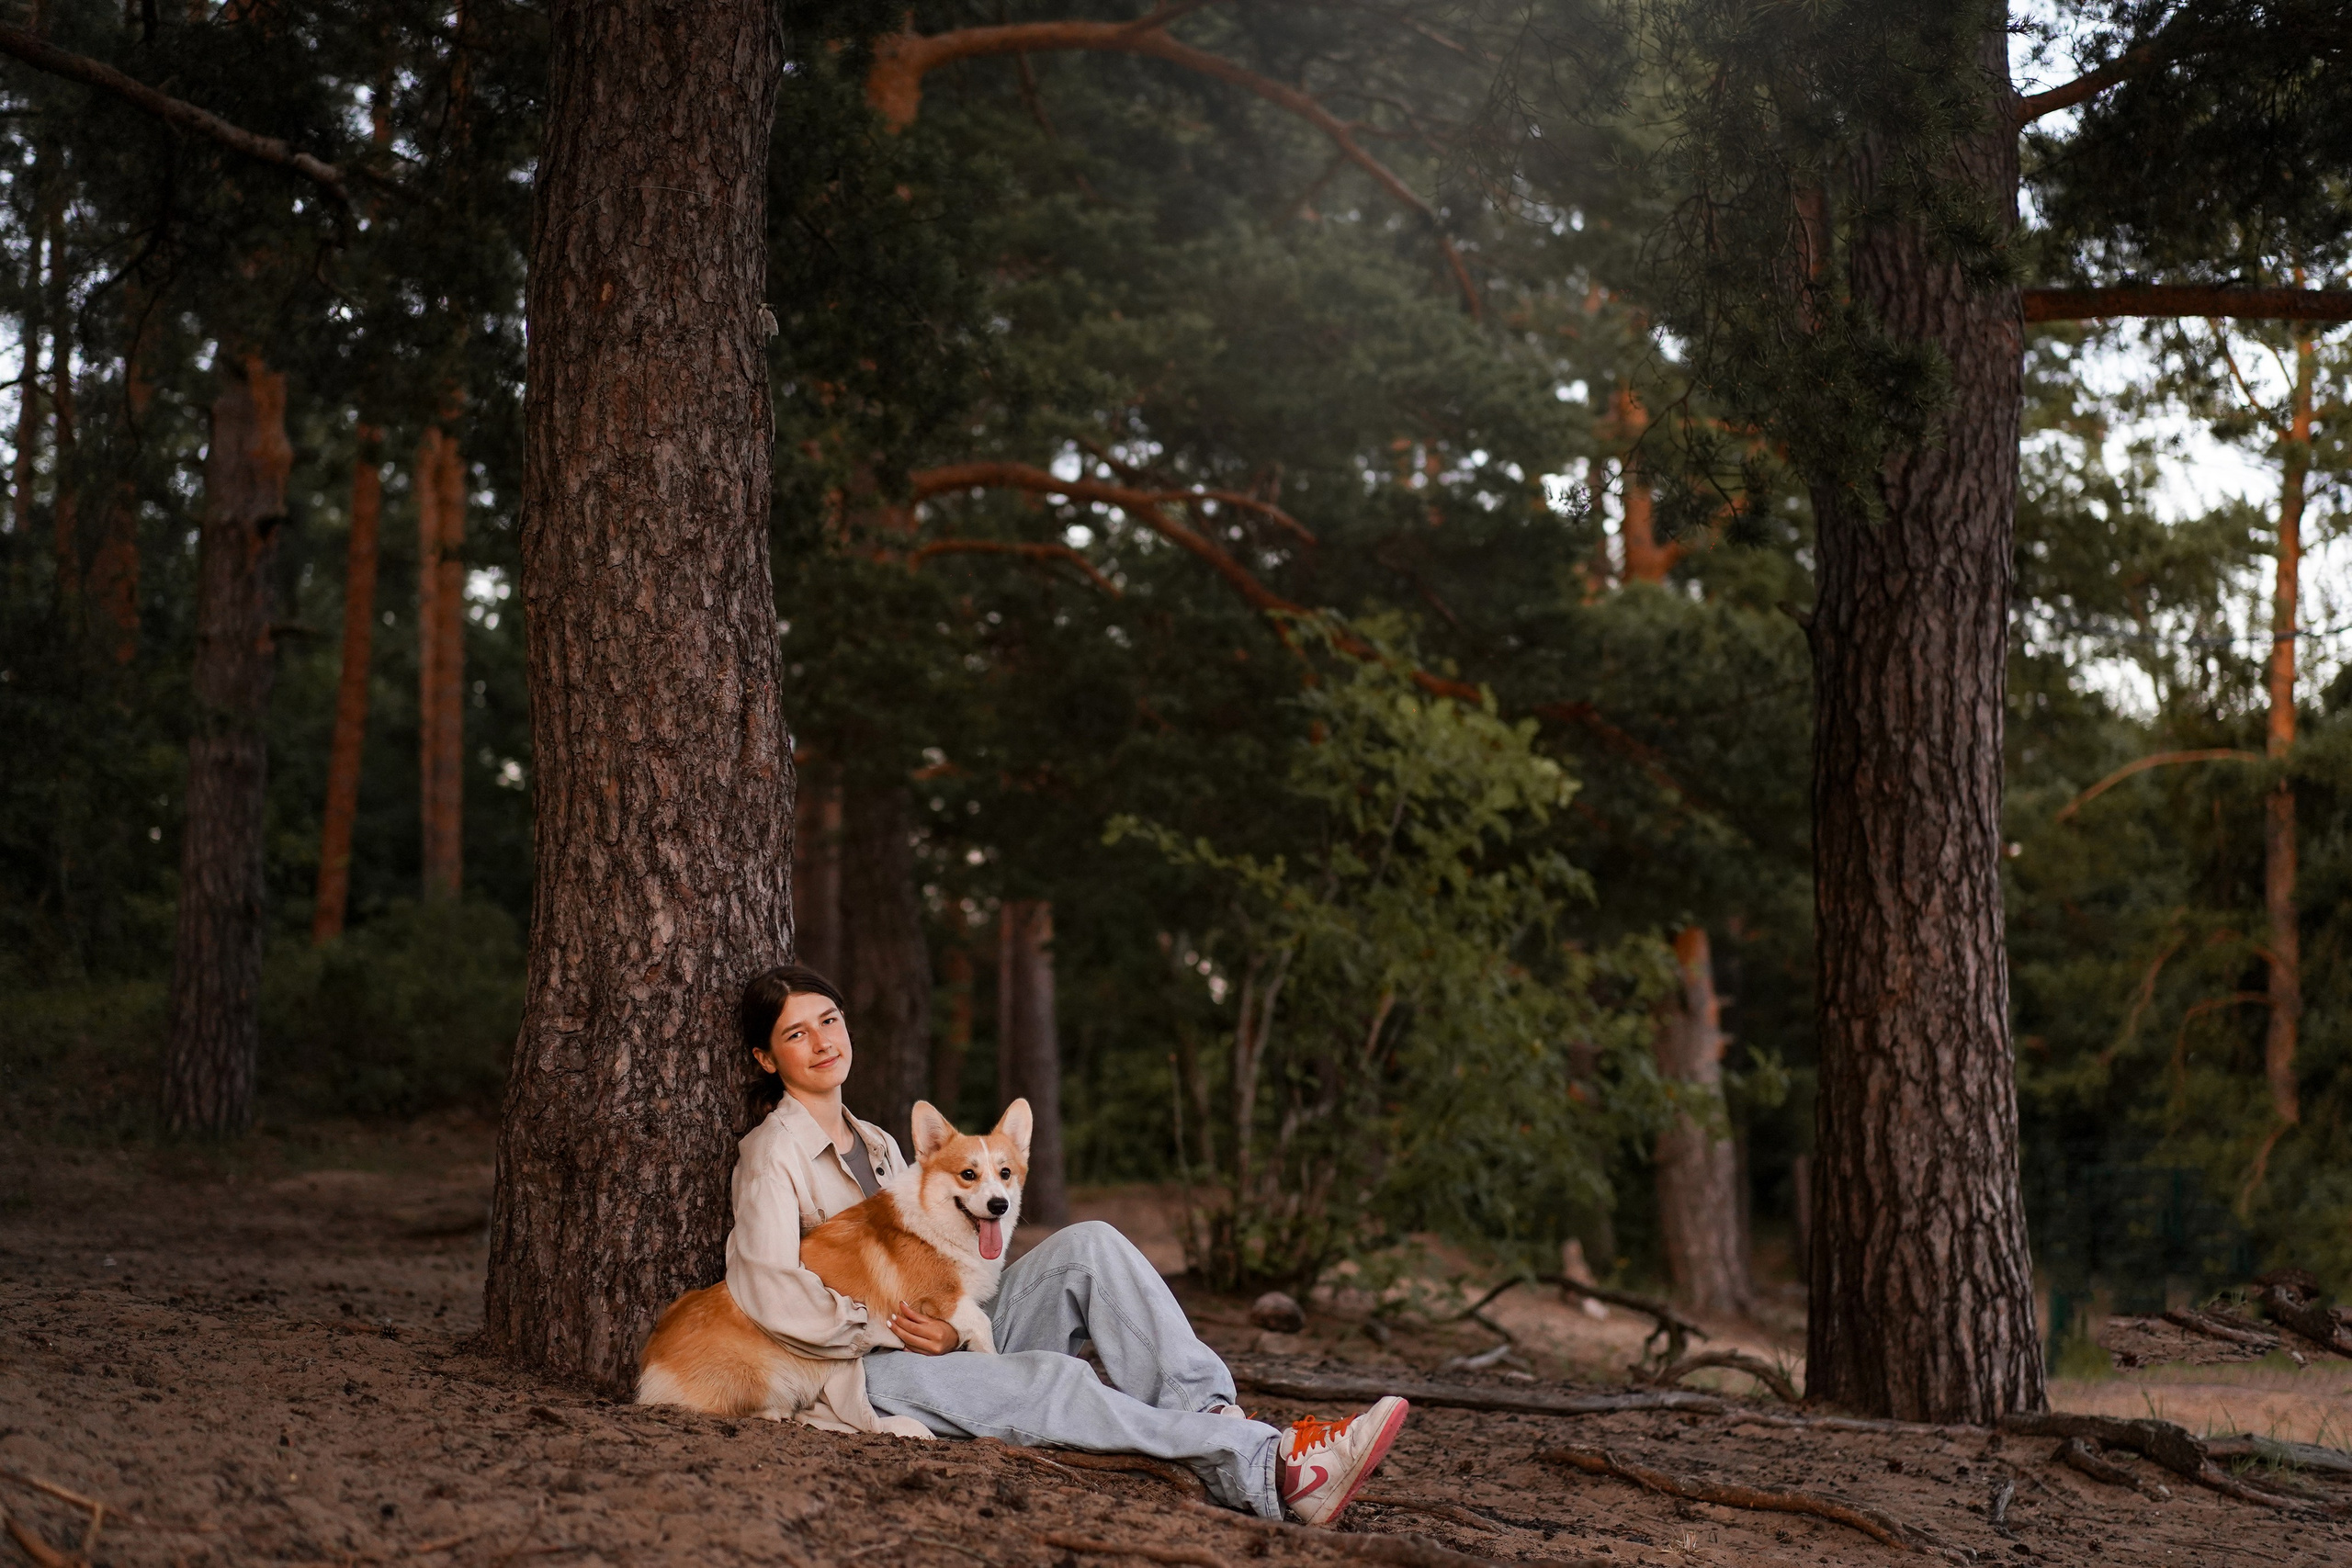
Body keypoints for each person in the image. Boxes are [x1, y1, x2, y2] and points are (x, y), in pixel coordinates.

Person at [723, 962, 1409, 1526]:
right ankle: (1276, 1467)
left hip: (937, 1337)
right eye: (796, 1033)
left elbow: (926, 1265)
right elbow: (768, 1290)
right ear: (765, 1055)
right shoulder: (771, 1152)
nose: (822, 1040)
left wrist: (950, 1328)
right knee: (1051, 1379)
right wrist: (891, 1330)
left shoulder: (875, 1140)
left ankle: (1209, 1413)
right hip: (857, 1370)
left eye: (830, 1020)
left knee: (1091, 1246)